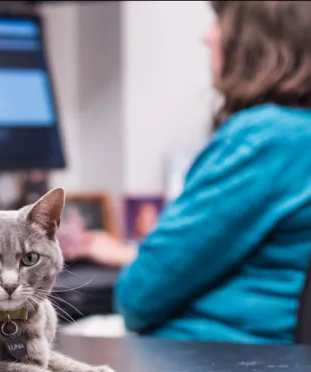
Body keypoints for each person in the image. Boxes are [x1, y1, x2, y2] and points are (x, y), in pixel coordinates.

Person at [60, 1, 311, 344]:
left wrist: (141, 265)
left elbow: (138, 298)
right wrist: (133, 254)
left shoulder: (267, 138)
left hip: (216, 370)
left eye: (220, 22)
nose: (207, 36)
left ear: (256, 41)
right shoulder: (297, 136)